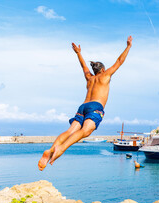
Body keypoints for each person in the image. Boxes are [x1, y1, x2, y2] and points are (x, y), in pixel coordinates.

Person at [38, 36, 133, 171]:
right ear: (103, 70)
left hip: (82, 107)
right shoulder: (105, 76)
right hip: (95, 106)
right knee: (85, 132)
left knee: (70, 130)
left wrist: (78, 53)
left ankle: (51, 149)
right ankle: (60, 149)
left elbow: (83, 66)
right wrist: (128, 46)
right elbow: (119, 61)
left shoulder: (89, 78)